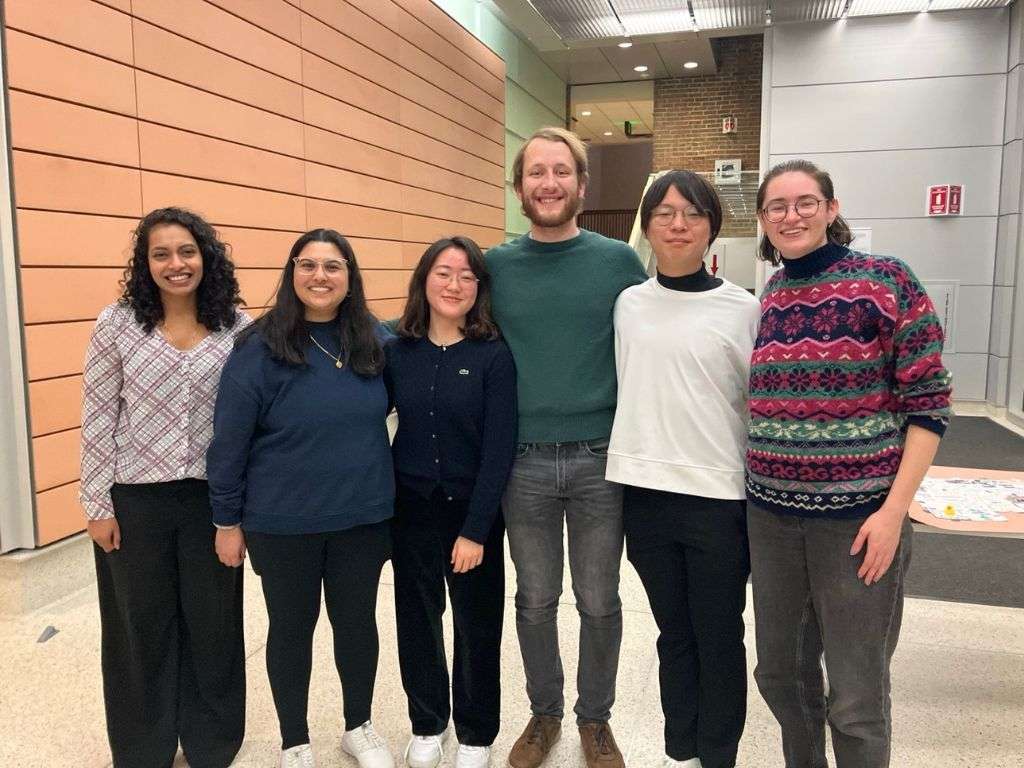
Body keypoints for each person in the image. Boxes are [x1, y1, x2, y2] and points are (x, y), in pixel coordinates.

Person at [747, 159, 952, 768]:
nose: (791, 216)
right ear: (763, 219)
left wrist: (894, 512)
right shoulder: (772, 295)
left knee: (856, 698)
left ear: (831, 209)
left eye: (805, 203)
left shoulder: (886, 279)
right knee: (781, 675)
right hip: (773, 520)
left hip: (859, 523)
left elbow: (929, 404)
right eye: (777, 206)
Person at [485, 126, 648, 768]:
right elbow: (436, 317)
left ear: (582, 185)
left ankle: (596, 720)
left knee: (600, 600)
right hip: (522, 460)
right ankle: (545, 713)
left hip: (600, 457)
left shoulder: (618, 262)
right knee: (534, 600)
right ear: (519, 187)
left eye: (561, 172)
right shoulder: (495, 267)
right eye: (536, 172)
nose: (548, 183)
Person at [207, 229, 395, 768]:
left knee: (357, 625)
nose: (320, 276)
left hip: (361, 516)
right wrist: (226, 520)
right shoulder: (259, 347)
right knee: (291, 630)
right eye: (308, 265)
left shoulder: (375, 341)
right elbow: (229, 441)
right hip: (281, 521)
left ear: (350, 276)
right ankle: (295, 741)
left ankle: (358, 726)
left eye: (333, 266)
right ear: (292, 273)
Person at [80, 207, 248, 768]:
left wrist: (242, 509)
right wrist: (96, 503)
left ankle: (211, 742)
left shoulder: (237, 328)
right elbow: (98, 414)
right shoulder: (117, 324)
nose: (176, 264)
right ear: (145, 263)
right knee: (139, 626)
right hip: (135, 501)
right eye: (161, 254)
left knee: (212, 622)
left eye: (186, 251)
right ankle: (142, 746)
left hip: (211, 501)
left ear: (206, 257)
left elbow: (249, 421)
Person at [606, 171, 760, 768]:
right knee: (673, 635)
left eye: (693, 213)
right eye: (665, 213)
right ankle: (681, 752)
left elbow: (757, 403)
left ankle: (717, 755)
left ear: (712, 227)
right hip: (644, 497)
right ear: (646, 226)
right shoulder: (628, 304)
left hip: (719, 497)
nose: (678, 224)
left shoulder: (742, 308)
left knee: (718, 636)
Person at [386, 236, 517, 768]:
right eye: (443, 273)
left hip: (472, 512)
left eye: (467, 276)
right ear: (424, 280)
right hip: (411, 510)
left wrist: (476, 530)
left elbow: (499, 448)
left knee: (476, 624)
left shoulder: (493, 355)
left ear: (479, 288)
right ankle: (427, 723)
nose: (454, 284)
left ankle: (477, 733)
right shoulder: (397, 352)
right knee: (417, 619)